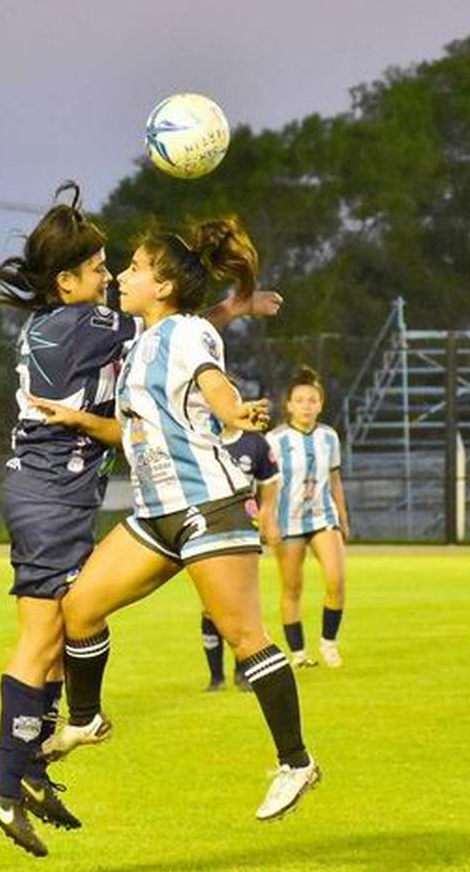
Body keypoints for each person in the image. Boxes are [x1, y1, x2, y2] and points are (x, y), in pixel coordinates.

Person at [0, 185, 281, 857]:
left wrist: (233, 306)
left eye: (117, 265)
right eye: (101, 267)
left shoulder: (62, 322)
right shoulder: (90, 325)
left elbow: (165, 337)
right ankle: (5, 777)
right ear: (67, 281)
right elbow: (169, 323)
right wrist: (229, 306)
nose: (111, 276)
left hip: (55, 494)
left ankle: (30, 769)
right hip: (48, 497)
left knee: (64, 624)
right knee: (41, 636)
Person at [36, 218, 320, 823]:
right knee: (80, 608)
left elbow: (214, 384)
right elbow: (134, 431)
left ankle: (295, 762)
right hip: (155, 514)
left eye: (135, 268)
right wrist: (79, 420)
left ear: (162, 287)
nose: (122, 276)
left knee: (245, 638)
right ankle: (85, 720)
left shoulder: (187, 333)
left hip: (207, 507)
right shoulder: (141, 343)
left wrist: (236, 410)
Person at [266, 367, 349, 667]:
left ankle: (329, 643)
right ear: (289, 405)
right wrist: (268, 522)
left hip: (322, 516)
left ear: (321, 404)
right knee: (292, 588)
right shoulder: (276, 440)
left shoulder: (329, 437)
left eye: (312, 400)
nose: (306, 406)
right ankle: (299, 654)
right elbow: (267, 486)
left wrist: (343, 517)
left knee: (336, 580)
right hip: (288, 521)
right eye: (299, 400)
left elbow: (335, 480)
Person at [200, 424, 279, 692]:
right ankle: (215, 677)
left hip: (244, 528)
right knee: (209, 605)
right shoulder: (198, 435)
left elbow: (270, 481)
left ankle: (242, 672)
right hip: (207, 527)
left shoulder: (254, 442)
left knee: (241, 602)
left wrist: (267, 516)